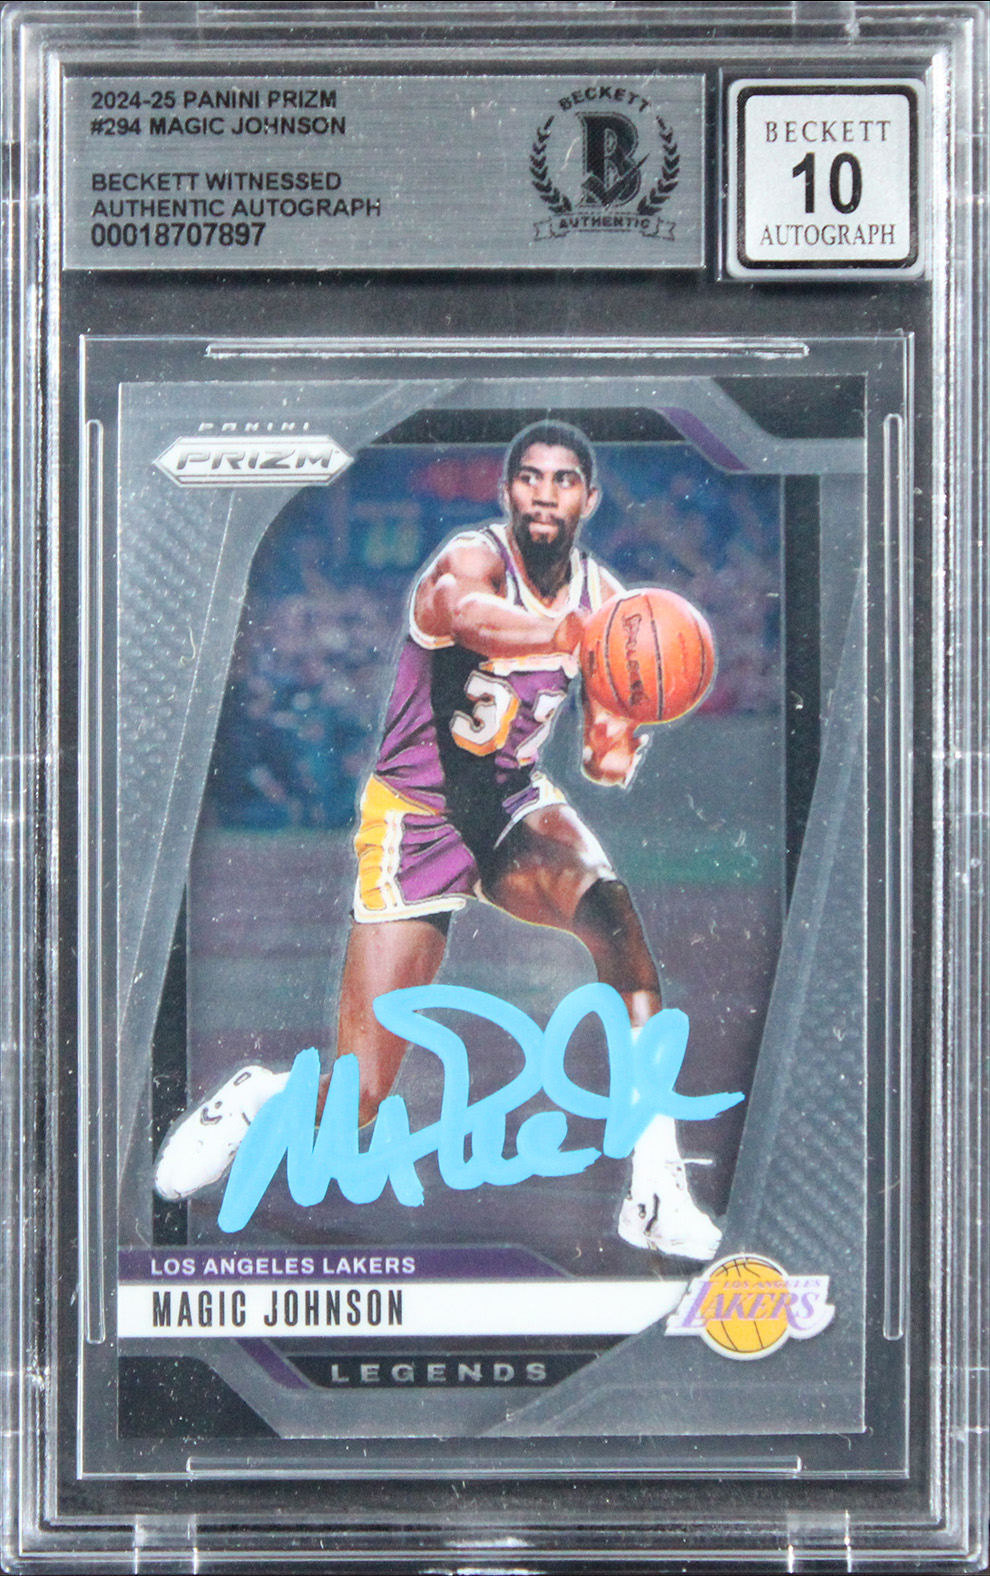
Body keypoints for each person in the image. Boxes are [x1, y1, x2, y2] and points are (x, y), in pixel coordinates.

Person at [155, 421, 721, 1261]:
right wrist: (570, 637)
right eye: (530, 477)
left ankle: (656, 1188)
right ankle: (257, 1100)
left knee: (619, 931)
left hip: (510, 805)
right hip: (417, 816)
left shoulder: (607, 601)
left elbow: (605, 741)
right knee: (358, 1102)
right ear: (508, 491)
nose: (544, 494)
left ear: (588, 499)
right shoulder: (469, 562)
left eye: (563, 480)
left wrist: (617, 738)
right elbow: (473, 619)